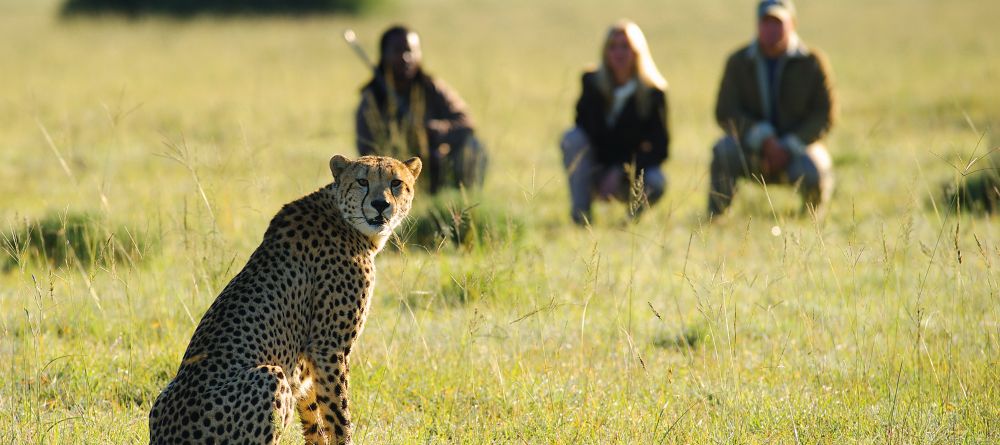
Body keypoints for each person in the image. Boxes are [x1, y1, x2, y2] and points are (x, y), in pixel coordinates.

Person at [708, 0, 836, 218]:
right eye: (765, 22)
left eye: (777, 22)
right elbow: (726, 111)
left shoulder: (811, 63)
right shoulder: (738, 62)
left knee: (815, 167)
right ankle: (717, 217)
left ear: (792, 24)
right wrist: (763, 139)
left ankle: (812, 220)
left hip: (797, 150)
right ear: (757, 25)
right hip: (752, 149)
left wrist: (789, 145)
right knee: (724, 150)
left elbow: (824, 114)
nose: (771, 29)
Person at [560, 20, 671, 225]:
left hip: (629, 178)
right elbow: (584, 126)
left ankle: (628, 223)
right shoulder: (592, 83)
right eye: (613, 46)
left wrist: (620, 169)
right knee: (572, 138)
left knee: (657, 180)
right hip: (594, 169)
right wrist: (603, 169)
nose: (619, 53)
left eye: (625, 46)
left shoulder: (653, 93)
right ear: (605, 51)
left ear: (637, 51)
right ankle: (581, 217)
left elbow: (660, 148)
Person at [356, 25, 487, 194]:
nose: (405, 58)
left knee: (474, 146)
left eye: (410, 51)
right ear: (384, 55)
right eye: (397, 51)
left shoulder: (431, 87)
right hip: (392, 181)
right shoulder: (372, 99)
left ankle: (463, 198)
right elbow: (367, 152)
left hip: (437, 165)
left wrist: (436, 132)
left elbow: (467, 122)